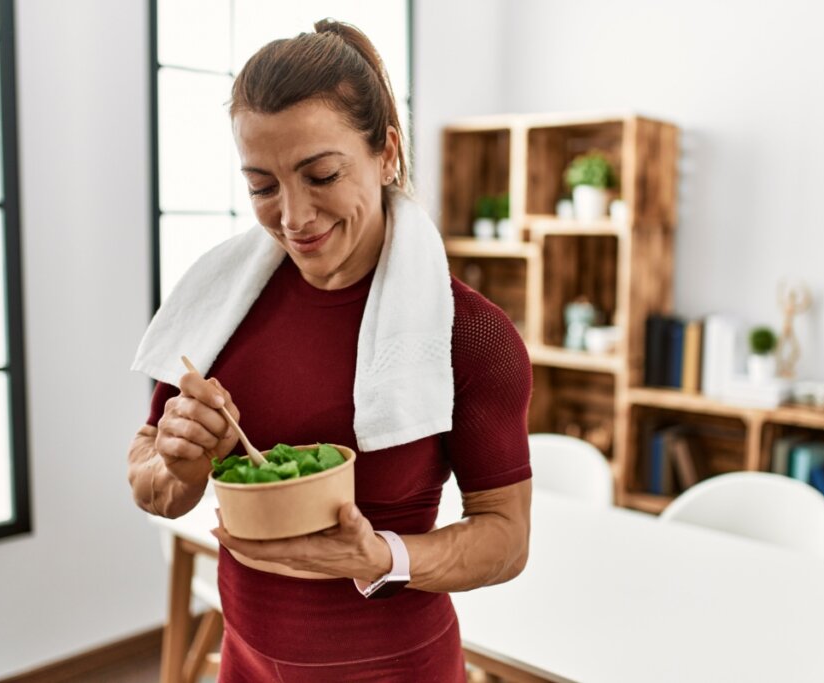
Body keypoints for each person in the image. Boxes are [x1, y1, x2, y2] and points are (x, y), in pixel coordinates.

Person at [128, 18, 532, 682]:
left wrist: (381, 557)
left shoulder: (471, 334)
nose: (293, 216)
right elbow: (151, 483)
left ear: (387, 154)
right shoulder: (220, 305)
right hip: (247, 666)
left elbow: (506, 539)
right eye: (262, 185)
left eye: (320, 175)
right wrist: (178, 464)